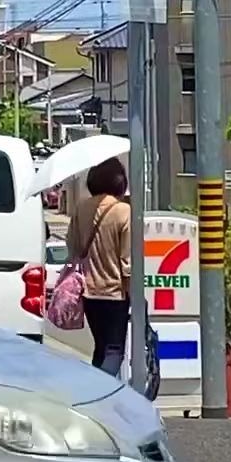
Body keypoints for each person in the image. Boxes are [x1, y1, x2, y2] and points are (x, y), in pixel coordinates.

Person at [67, 155, 136, 387]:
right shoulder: (123, 212)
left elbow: (73, 247)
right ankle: (100, 393)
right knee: (114, 350)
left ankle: (96, 390)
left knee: (101, 347)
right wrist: (133, 295)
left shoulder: (81, 209)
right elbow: (127, 261)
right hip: (115, 293)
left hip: (88, 292)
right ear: (120, 182)